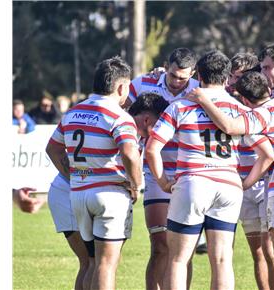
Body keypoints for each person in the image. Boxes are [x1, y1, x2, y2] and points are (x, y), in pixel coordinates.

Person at [185, 68, 274, 290]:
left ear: (244, 99)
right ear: (269, 89)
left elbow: (230, 126)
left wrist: (204, 100)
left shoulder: (261, 115)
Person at [146, 50, 274, 290]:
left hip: (193, 183)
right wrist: (244, 183)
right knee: (223, 260)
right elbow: (267, 154)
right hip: (228, 186)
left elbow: (152, 149)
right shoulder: (240, 110)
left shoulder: (180, 106)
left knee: (178, 259)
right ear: (227, 79)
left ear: (199, 76)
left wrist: (164, 182)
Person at [47, 56, 143, 290]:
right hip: (109, 194)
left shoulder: (72, 113)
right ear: (121, 87)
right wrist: (135, 184)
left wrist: (76, 176)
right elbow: (130, 153)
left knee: (91, 263)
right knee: (106, 265)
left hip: (79, 194)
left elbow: (52, 148)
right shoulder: (119, 116)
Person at [123, 47, 199, 290]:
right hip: (155, 175)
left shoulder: (199, 89)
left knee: (183, 250)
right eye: (173, 75)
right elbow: (122, 113)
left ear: (193, 73)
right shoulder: (142, 83)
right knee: (159, 245)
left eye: (183, 78)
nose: (177, 82)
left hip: (189, 174)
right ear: (166, 67)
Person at [230, 51, 274, 290]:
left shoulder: (265, 105)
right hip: (242, 183)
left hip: (264, 183)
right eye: (232, 76)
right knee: (258, 253)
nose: (234, 82)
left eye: (240, 77)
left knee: (273, 253)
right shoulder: (227, 102)